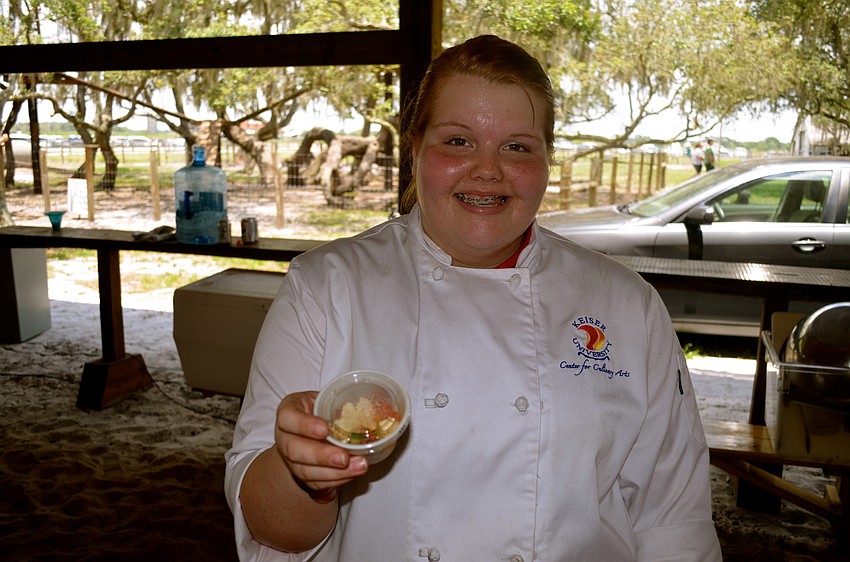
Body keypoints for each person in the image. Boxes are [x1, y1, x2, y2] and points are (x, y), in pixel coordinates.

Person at [225, 35, 722, 561]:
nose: (487, 170)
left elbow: (674, 520)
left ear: (548, 160)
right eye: (458, 141)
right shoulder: (325, 285)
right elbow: (273, 529)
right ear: (414, 149)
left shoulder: (628, 305)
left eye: (517, 146)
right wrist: (306, 473)